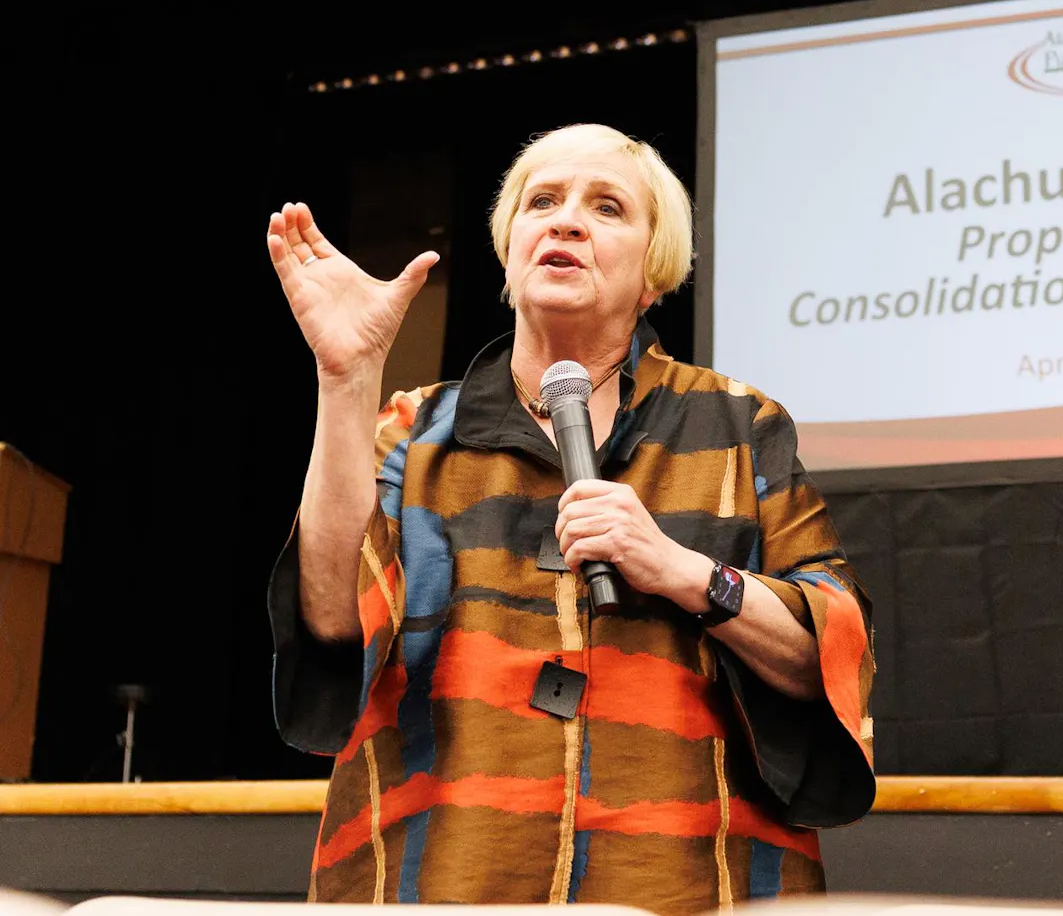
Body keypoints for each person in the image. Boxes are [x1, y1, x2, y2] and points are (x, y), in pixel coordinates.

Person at [266, 123, 875, 914]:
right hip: (441, 877)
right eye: (542, 201)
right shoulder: (412, 432)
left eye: (607, 206)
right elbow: (331, 621)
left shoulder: (736, 424)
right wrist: (345, 383)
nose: (565, 220)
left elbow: (832, 648)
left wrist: (683, 571)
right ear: (511, 251)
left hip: (685, 884)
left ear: (653, 275)